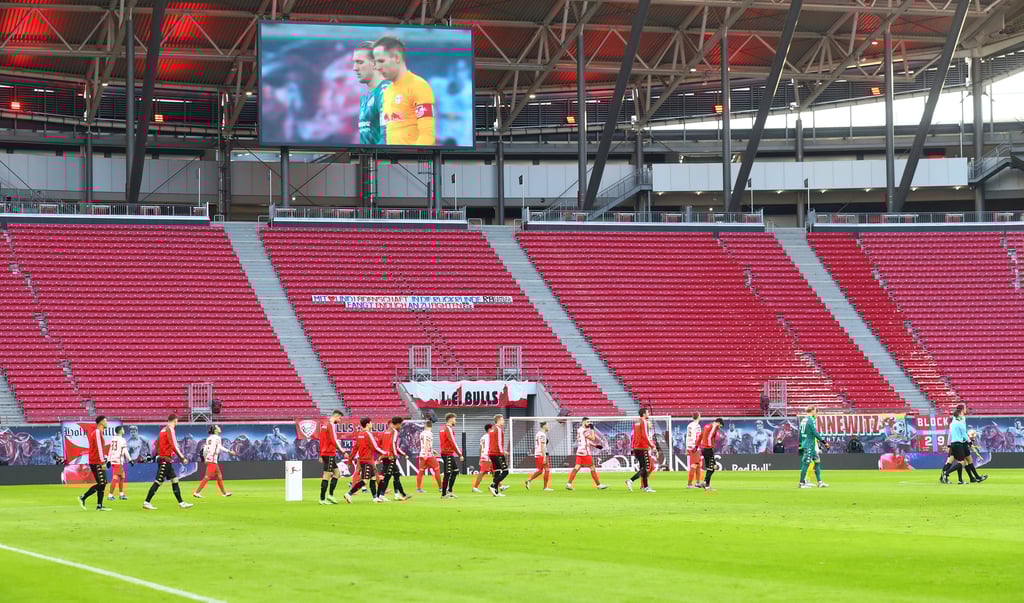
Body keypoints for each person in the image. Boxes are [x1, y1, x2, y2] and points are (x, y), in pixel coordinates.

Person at [374, 35, 436, 146]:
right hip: (391, 161)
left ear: (397, 58)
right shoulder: (387, 92)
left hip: (413, 160)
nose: (378, 67)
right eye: (376, 62)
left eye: (381, 61)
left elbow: (427, 136)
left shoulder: (419, 85)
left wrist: (411, 157)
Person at [143, 414, 193, 510]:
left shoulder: (162, 430)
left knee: (175, 480)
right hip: (165, 460)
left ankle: (181, 503)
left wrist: (157, 455)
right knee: (158, 481)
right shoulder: (170, 429)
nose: (176, 424)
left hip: (165, 459)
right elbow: (174, 445)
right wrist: (182, 458)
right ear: (175, 421)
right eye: (176, 422)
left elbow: (156, 444)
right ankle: (146, 502)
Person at [344, 417, 389, 504]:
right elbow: (375, 447)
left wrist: (350, 460)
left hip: (364, 460)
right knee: (364, 480)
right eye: (371, 423)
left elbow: (355, 448)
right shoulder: (368, 434)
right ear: (368, 424)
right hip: (367, 460)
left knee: (372, 478)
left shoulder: (360, 434)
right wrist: (385, 453)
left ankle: (375, 498)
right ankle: (349, 494)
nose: (372, 424)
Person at [353, 41, 390, 146]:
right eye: (354, 62)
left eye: (360, 62)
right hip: (367, 160)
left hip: (382, 161)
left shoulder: (385, 91)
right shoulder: (366, 98)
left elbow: (387, 137)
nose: (354, 68)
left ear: (375, 63)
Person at [941, 404, 987, 484]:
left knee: (961, 460)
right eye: (965, 409)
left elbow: (950, 434)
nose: (966, 410)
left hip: (954, 443)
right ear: (961, 411)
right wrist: (969, 442)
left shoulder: (953, 423)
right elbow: (964, 433)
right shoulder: (961, 420)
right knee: (963, 461)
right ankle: (946, 474)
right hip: (961, 443)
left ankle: (968, 478)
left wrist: (949, 445)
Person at [78, 416, 111, 511]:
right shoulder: (97, 432)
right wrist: (102, 462)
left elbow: (101, 448)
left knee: (103, 483)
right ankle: (83, 497)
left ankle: (99, 506)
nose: (107, 422)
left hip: (97, 460)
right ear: (101, 422)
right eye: (105, 420)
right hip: (96, 462)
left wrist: (106, 458)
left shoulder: (99, 433)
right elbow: (99, 448)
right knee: (102, 483)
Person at [193, 425, 237, 498]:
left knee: (219, 476)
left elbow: (205, 448)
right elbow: (219, 447)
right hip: (212, 459)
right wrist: (229, 451)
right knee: (207, 476)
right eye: (218, 427)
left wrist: (205, 458)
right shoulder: (217, 438)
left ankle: (224, 493)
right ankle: (197, 492)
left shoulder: (209, 438)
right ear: (215, 430)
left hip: (210, 458)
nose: (220, 428)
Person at [566, 418, 608, 491]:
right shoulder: (585, 430)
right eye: (587, 422)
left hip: (579, 451)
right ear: (583, 422)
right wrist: (592, 429)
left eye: (589, 422)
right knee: (592, 467)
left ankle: (569, 484)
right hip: (585, 452)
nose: (589, 423)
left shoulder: (579, 430)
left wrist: (595, 446)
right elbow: (592, 438)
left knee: (577, 467)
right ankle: (599, 485)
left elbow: (585, 440)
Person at [379, 417, 412, 501]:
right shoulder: (394, 432)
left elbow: (380, 444)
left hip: (385, 456)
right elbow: (394, 444)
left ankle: (398, 494)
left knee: (396, 474)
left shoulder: (385, 431)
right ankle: (381, 496)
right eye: (401, 424)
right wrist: (395, 454)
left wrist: (382, 454)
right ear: (397, 424)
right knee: (387, 476)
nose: (401, 426)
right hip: (391, 456)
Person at [799, 407, 829, 489]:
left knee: (817, 462)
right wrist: (824, 442)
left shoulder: (803, 420)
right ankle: (801, 483)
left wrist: (801, 444)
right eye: (815, 411)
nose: (816, 412)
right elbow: (815, 432)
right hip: (809, 445)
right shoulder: (810, 420)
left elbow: (800, 434)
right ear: (812, 411)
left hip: (808, 444)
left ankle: (819, 482)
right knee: (806, 463)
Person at [627, 408, 655, 493]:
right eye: (647, 412)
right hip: (643, 447)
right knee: (645, 468)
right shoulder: (644, 422)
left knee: (643, 467)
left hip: (636, 447)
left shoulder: (636, 422)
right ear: (644, 414)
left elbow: (634, 435)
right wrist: (652, 445)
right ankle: (630, 480)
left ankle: (645, 487)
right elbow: (645, 435)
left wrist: (633, 447)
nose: (648, 414)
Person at [439, 413, 464, 499]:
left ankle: (449, 491)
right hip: (447, 453)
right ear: (450, 419)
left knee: (455, 471)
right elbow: (452, 442)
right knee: (447, 473)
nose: (455, 421)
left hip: (446, 453)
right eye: (455, 419)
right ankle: (444, 494)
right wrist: (460, 454)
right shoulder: (448, 429)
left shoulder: (443, 429)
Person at [106, 425, 132, 502]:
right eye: (123, 429)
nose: (124, 430)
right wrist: (130, 459)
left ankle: (121, 494)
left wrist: (109, 460)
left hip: (114, 460)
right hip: (118, 461)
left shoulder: (113, 439)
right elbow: (125, 451)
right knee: (115, 478)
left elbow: (110, 450)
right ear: (120, 431)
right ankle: (110, 495)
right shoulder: (122, 440)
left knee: (122, 477)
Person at [416, 420, 443, 494]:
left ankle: (418, 489)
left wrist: (432, 450)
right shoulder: (429, 433)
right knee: (437, 469)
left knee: (421, 471)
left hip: (421, 454)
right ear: (431, 426)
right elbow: (427, 443)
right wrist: (427, 454)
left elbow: (424, 444)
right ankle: (441, 488)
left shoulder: (422, 433)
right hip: (428, 455)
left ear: (425, 425)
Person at [525, 421, 553, 491]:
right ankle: (545, 487)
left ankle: (529, 480)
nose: (548, 427)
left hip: (537, 454)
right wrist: (544, 457)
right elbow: (542, 446)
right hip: (542, 454)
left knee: (540, 471)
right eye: (547, 425)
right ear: (544, 426)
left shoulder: (538, 434)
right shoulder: (543, 435)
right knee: (547, 470)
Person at [699, 418, 725, 491]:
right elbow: (709, 437)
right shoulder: (713, 427)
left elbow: (701, 436)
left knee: (711, 468)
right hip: (708, 449)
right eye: (721, 426)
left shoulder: (707, 426)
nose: (720, 428)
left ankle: (704, 482)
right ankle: (707, 486)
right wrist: (710, 447)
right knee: (712, 468)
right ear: (718, 423)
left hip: (704, 449)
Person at [488, 414, 510, 496]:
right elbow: (499, 442)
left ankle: (496, 492)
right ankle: (493, 485)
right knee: (505, 471)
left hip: (491, 453)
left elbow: (492, 442)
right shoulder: (498, 429)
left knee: (497, 471)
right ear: (498, 420)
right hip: (497, 453)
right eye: (502, 420)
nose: (503, 421)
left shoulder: (492, 429)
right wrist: (502, 452)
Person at [471, 424, 494, 493]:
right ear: (489, 429)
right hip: (487, 456)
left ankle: (500, 486)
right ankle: (475, 487)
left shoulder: (483, 437)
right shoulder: (489, 436)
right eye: (492, 428)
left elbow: (480, 448)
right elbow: (488, 447)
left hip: (484, 455)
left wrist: (480, 457)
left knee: (494, 471)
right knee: (483, 472)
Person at [685, 412, 703, 488]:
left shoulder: (689, 425)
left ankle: (698, 483)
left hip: (690, 446)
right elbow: (697, 437)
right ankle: (689, 484)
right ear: (698, 417)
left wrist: (687, 447)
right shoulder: (697, 426)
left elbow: (687, 436)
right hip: (694, 447)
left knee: (698, 465)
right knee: (694, 465)